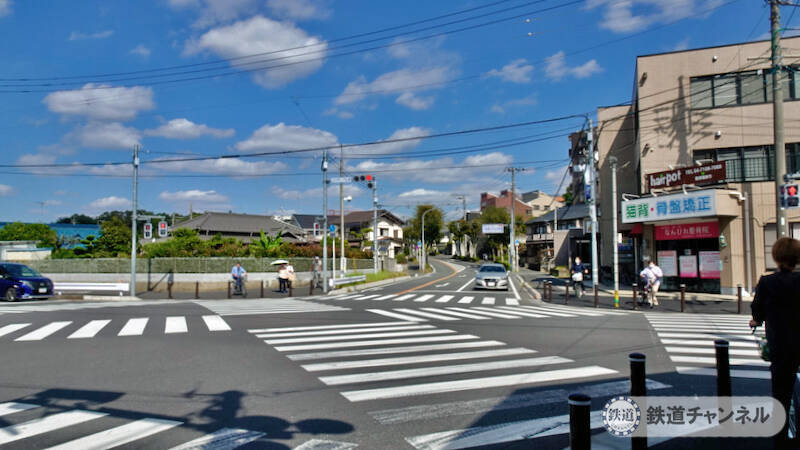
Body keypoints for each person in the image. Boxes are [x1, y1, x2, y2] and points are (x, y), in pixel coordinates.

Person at [750, 237, 800, 448]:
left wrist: (756, 320)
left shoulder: (767, 282)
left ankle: (780, 440)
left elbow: (757, 311)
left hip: (781, 346)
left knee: (781, 393)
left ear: (776, 257)